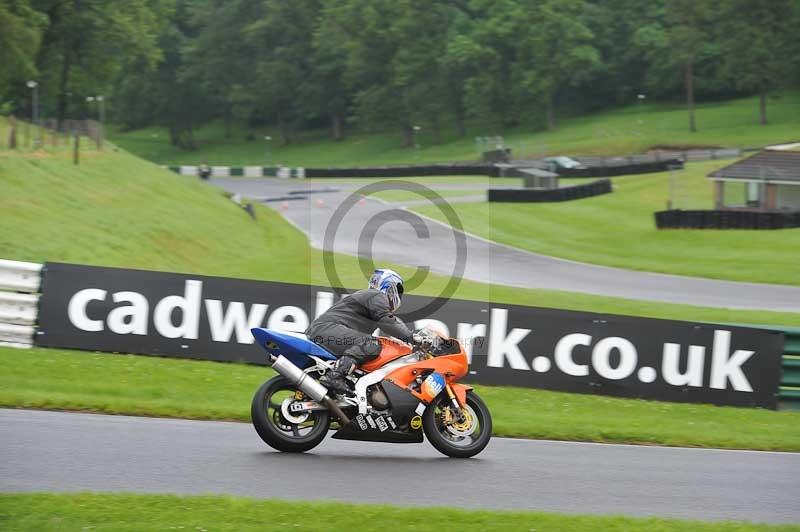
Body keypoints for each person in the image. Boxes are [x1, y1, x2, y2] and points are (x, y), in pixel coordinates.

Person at [306, 268, 420, 395]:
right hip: (327, 330)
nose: (398, 295)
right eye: (397, 290)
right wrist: (412, 338)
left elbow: (393, 322)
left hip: (326, 330)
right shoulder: (377, 296)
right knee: (371, 344)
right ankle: (335, 376)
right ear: (389, 285)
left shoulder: (370, 298)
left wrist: (409, 339)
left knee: (370, 347)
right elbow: (387, 321)